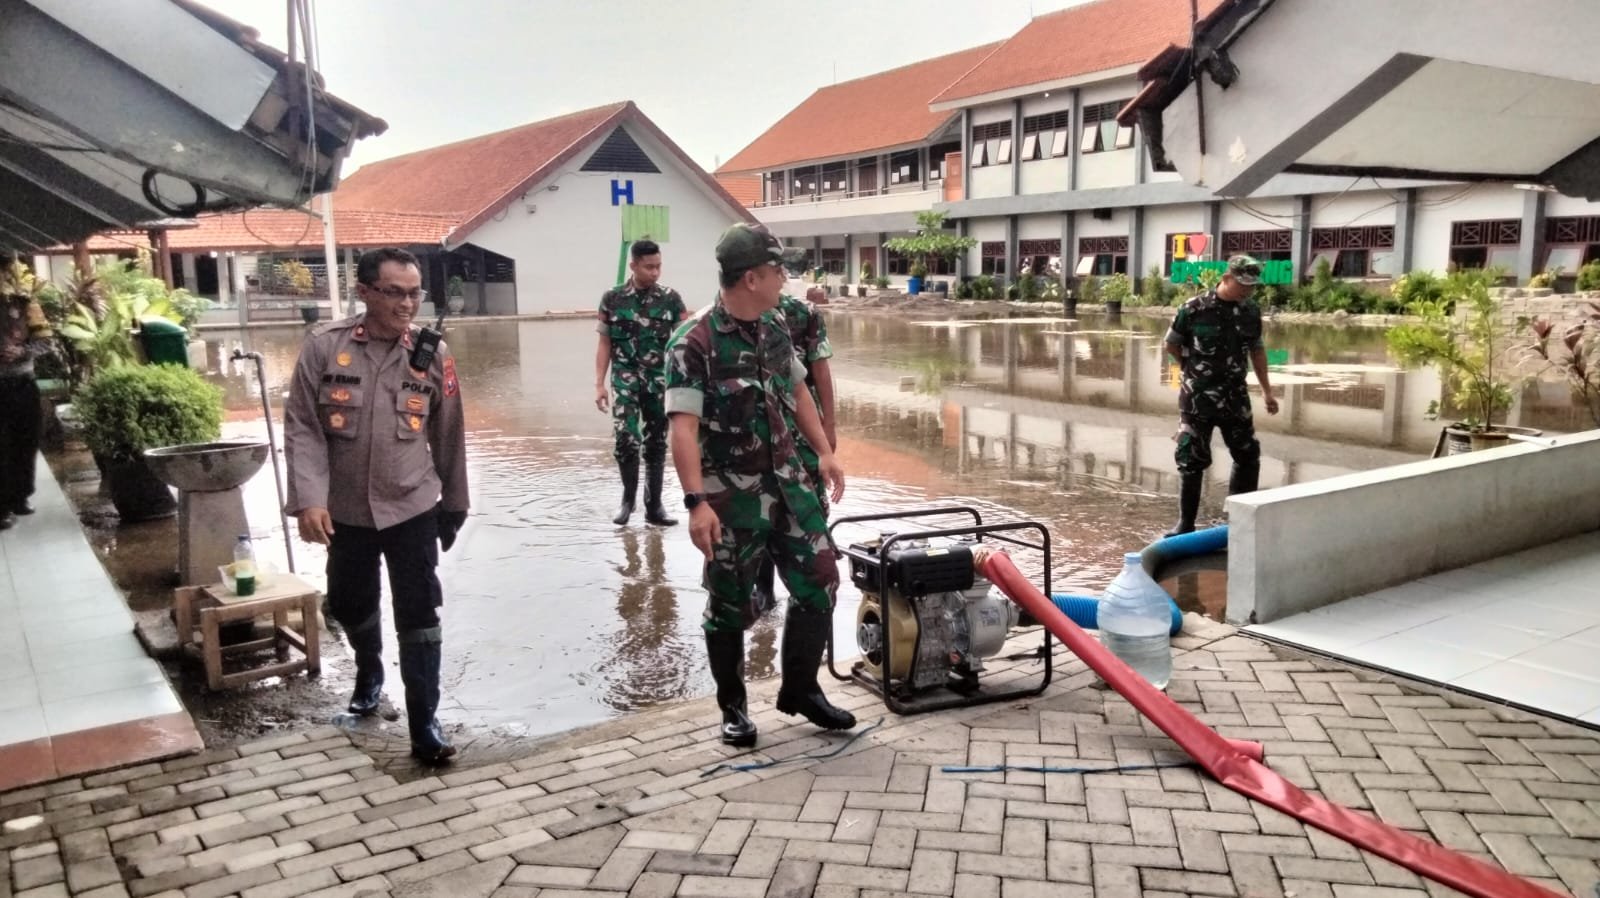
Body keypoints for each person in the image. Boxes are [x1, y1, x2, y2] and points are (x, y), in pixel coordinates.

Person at [666, 223, 855, 747]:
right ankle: (734, 709)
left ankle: (801, 689)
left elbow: (798, 390)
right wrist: (695, 502)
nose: (784, 280)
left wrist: (823, 452)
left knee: (820, 581)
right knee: (729, 604)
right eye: (778, 272)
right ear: (752, 277)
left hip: (791, 487)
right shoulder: (694, 342)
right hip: (731, 499)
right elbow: (681, 430)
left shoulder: (773, 325)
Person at [283, 247, 469, 764]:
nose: (407, 304)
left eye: (414, 293)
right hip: (344, 513)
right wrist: (309, 501)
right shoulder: (325, 347)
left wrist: (454, 505)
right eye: (395, 292)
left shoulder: (433, 353)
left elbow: (449, 432)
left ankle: (423, 723)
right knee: (348, 602)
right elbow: (303, 428)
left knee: (420, 611)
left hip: (411, 505)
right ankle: (369, 673)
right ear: (365, 292)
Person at [1163, 254, 1279, 536]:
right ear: (1226, 278)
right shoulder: (1193, 308)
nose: (1247, 290)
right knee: (1191, 457)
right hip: (1197, 398)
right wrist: (1192, 371)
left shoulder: (1250, 312)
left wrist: (1267, 391)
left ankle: (1239, 523)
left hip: (1235, 396)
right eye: (1243, 284)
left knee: (1247, 454)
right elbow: (1171, 344)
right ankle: (1185, 524)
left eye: (1252, 286)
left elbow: (1257, 351)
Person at [751, 289, 837, 613]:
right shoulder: (745, 310)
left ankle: (810, 590)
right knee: (762, 506)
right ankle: (764, 589)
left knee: (813, 504)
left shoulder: (804, 312)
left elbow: (820, 371)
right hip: (763, 433)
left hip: (802, 430)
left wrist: (828, 428)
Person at [595, 240, 687, 526]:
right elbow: (605, 342)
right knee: (625, 439)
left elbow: (685, 343)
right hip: (625, 381)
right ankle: (627, 501)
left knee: (656, 443)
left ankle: (654, 507)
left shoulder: (671, 299)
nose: (655, 272)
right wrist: (599, 384)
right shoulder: (612, 298)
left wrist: (686, 383)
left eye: (658, 266)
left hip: (660, 382)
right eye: (649, 267)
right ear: (633, 265)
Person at [0, 268, 52, 530]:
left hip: (22, 383)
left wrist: (21, 351)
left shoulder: (25, 303)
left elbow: (46, 342)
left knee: (26, 440)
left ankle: (20, 495)